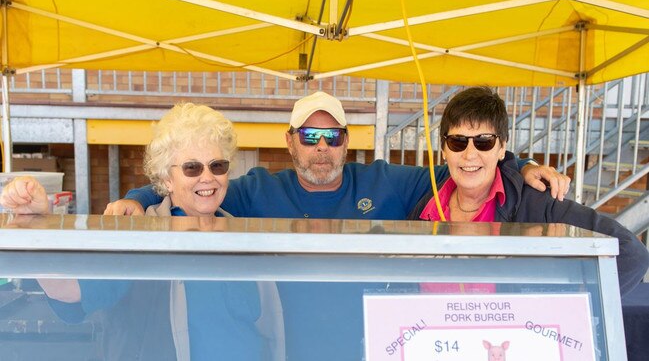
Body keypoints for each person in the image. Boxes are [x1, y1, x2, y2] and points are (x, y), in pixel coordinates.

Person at [108, 91, 572, 361]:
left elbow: (466, 162)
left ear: (347, 141)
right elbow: (194, 185)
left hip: (376, 348)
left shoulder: (388, 181)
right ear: (290, 142)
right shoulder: (257, 189)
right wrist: (135, 198)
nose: (321, 147)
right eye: (310, 136)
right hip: (289, 351)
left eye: (332, 136)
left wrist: (520, 165)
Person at [0, 103, 282, 361]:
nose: (207, 177)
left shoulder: (243, 236)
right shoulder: (138, 237)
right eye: (192, 168)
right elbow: (66, 289)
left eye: (217, 166)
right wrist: (36, 220)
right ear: (166, 180)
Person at [407, 86, 649, 297]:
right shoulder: (424, 209)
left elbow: (630, 253)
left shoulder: (537, 203)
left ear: (502, 148)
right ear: (444, 150)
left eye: (484, 141)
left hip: (510, 344)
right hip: (439, 344)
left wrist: (573, 308)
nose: (470, 154)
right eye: (458, 142)